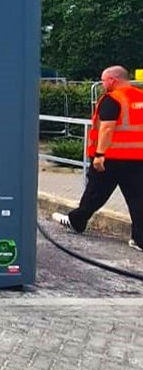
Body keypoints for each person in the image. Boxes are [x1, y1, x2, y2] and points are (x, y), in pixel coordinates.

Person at [53, 65, 143, 251]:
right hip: (137, 158)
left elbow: (107, 128)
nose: (102, 85)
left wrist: (99, 155)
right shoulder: (140, 96)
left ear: (113, 80)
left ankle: (77, 221)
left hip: (111, 158)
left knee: (95, 192)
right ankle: (140, 239)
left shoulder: (113, 99)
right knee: (138, 198)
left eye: (103, 81)